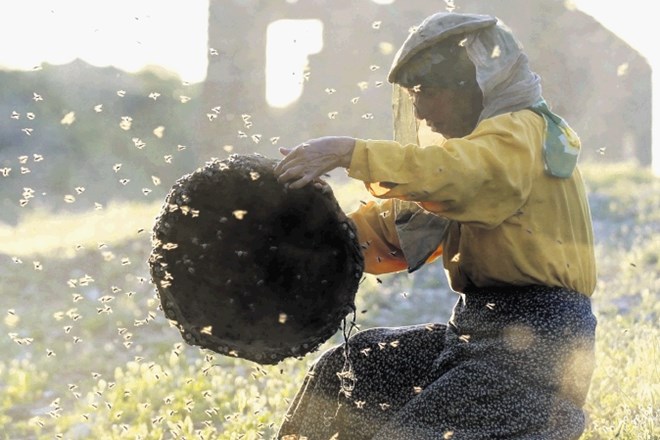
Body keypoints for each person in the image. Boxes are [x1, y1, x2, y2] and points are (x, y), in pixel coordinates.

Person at [273, 11, 597, 440]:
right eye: (412, 94)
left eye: (427, 91)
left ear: (473, 88)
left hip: (536, 356)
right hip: (472, 335)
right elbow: (390, 229)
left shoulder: (522, 136)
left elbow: (457, 177)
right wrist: (308, 234)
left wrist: (349, 152)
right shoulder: (464, 161)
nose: (420, 111)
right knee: (349, 368)